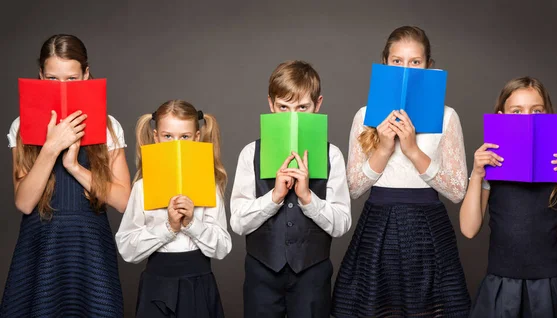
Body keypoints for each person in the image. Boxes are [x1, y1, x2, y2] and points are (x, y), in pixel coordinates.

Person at [331, 26, 471, 317]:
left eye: (415, 62)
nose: (406, 69)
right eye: (397, 61)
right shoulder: (364, 115)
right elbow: (353, 189)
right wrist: (383, 148)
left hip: (428, 230)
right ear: (385, 63)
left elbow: (458, 191)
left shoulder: (447, 116)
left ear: (428, 67)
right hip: (378, 226)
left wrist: (412, 150)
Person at [1, 34, 130, 317]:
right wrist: (51, 148)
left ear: (86, 74)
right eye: (52, 79)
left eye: (71, 79)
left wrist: (74, 166)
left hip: (90, 246)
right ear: (40, 76)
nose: (62, 88)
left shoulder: (109, 126)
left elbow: (123, 201)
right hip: (41, 246)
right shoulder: (21, 125)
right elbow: (23, 203)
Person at [460, 76, 557, 317]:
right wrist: (477, 174)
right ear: (501, 117)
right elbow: (469, 229)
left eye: (536, 111)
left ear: (548, 116)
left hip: (550, 284)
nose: (527, 118)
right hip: (501, 283)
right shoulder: (492, 166)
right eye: (517, 111)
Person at [230, 60, 352, 318]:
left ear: (318, 105)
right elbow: (238, 223)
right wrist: (274, 197)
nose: (292, 117)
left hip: (312, 276)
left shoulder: (333, 155)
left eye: (302, 108)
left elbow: (341, 224)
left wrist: (308, 198)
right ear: (271, 105)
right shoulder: (251, 153)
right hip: (261, 274)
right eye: (283, 107)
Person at [116, 100, 231, 317]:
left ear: (197, 137)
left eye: (184, 137)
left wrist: (191, 224)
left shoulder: (209, 184)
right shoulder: (143, 187)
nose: (175, 144)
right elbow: (127, 249)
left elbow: (223, 248)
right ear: (156, 136)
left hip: (198, 285)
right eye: (168, 136)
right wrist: (168, 227)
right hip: (157, 285)